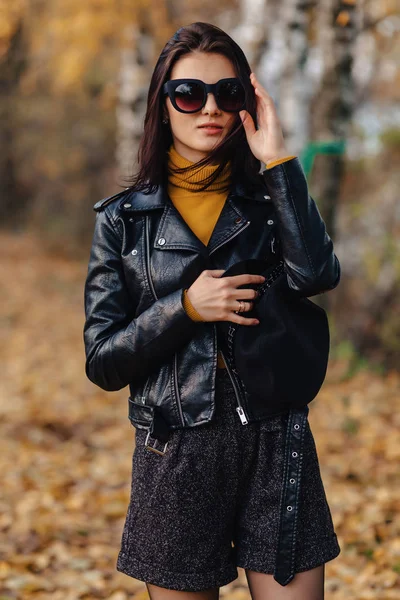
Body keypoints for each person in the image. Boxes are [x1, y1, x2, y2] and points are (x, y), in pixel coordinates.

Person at [83, 21, 341, 600]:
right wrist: (185, 308)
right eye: (188, 94)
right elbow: (102, 360)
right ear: (163, 104)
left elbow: (317, 275)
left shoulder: (271, 199)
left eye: (228, 94)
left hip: (277, 439)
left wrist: (278, 162)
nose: (209, 109)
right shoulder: (122, 221)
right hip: (174, 449)